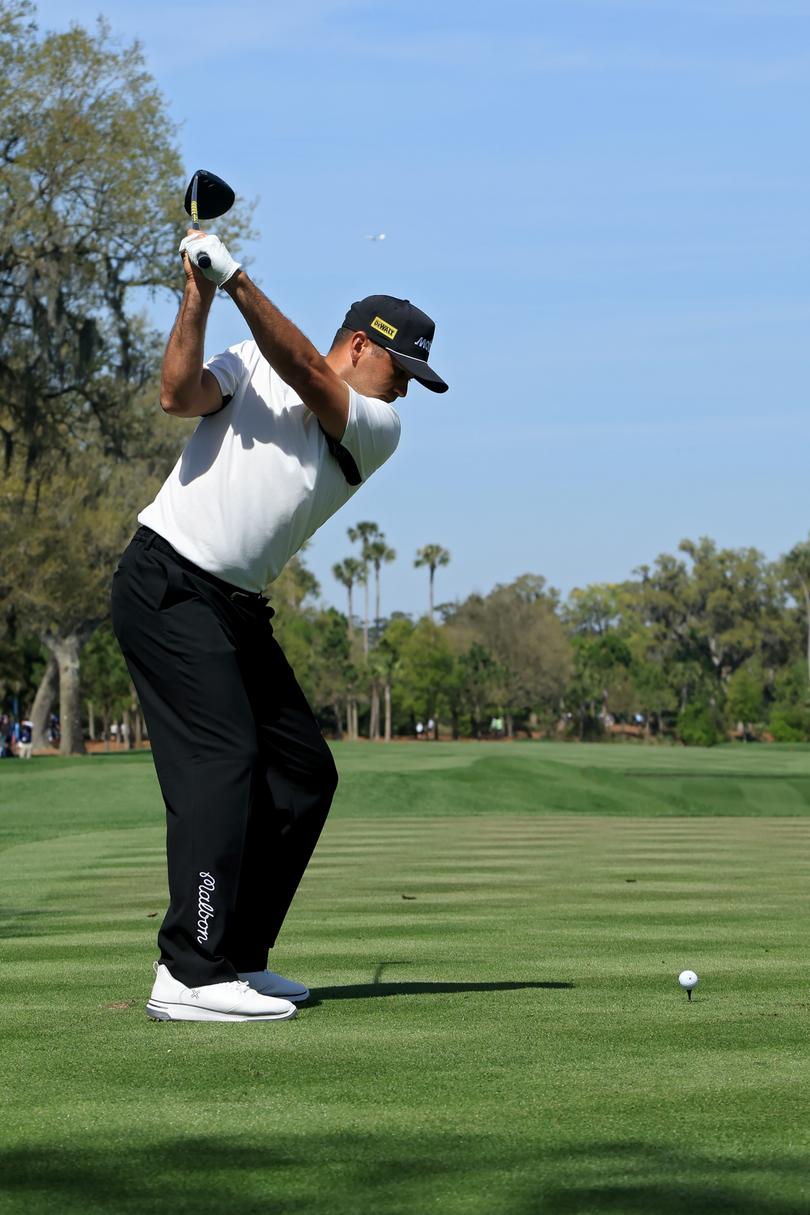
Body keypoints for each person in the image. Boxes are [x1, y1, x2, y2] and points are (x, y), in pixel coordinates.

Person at [111, 225, 448, 1023]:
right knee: (223, 759)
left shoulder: (374, 426)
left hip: (233, 606)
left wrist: (234, 276)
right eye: (398, 371)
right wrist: (196, 295)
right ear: (361, 345)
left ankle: (234, 957)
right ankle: (187, 970)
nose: (402, 389)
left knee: (302, 772)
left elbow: (304, 369)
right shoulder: (252, 356)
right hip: (167, 581)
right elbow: (176, 393)